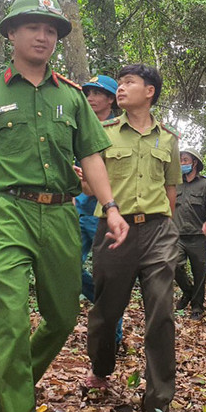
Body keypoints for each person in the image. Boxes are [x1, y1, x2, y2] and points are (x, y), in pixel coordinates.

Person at [0, 0, 129, 412]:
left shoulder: (71, 96)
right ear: (11, 33)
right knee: (9, 323)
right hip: (6, 212)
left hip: (62, 213)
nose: (43, 36)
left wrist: (110, 207)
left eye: (51, 30)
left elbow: (92, 156)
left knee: (63, 317)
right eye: (33, 27)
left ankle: (15, 383)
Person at [84, 63, 182, 412]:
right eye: (120, 82)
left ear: (150, 91)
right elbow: (91, 185)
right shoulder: (103, 132)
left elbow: (170, 189)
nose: (120, 89)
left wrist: (166, 227)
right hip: (113, 230)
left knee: (161, 314)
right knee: (106, 310)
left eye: (129, 82)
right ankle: (101, 369)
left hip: (158, 231)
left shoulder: (168, 139)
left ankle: (158, 402)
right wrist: (86, 185)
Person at [77, 75, 124, 349]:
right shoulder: (78, 127)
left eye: (97, 93)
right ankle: (106, 305)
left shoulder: (120, 132)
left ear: (111, 99)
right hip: (78, 209)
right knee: (69, 269)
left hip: (105, 214)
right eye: (88, 93)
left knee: (108, 278)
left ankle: (113, 339)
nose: (91, 98)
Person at [173, 149, 206, 320]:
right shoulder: (175, 183)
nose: (182, 163)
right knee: (174, 265)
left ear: (194, 163)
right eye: (180, 160)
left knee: (200, 272)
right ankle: (188, 291)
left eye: (185, 160)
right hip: (177, 235)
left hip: (198, 236)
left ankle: (197, 307)